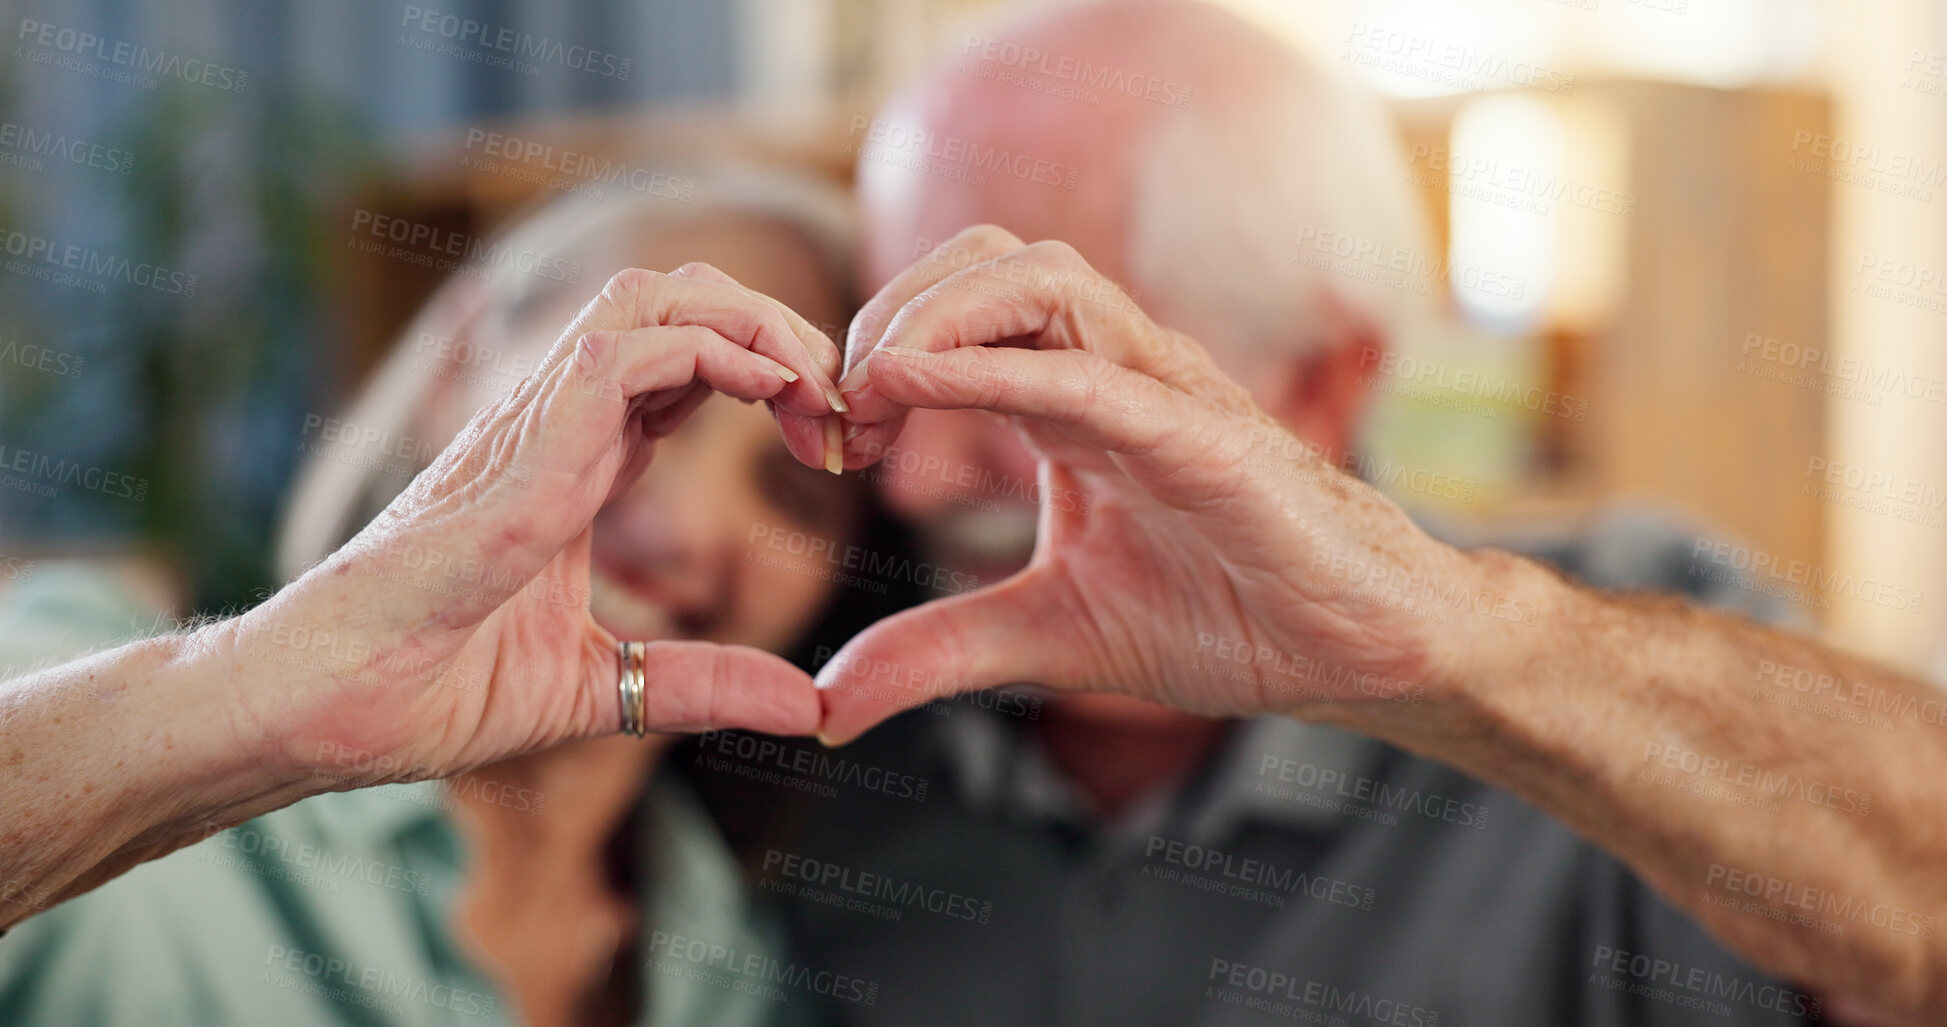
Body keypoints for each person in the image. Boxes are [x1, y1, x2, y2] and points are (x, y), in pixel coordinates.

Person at [744, 3, 1940, 1026]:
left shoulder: (1636, 627)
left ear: (1323, 379)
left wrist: (1459, 648)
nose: (908, 477)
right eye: (892, 352)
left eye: (1009, 366)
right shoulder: (814, 669)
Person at [0, 168, 877, 1026]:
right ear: (452, 364)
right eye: (650, 404)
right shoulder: (77, 664)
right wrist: (254, 704)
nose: (684, 526)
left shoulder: (749, 975)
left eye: (798, 494)